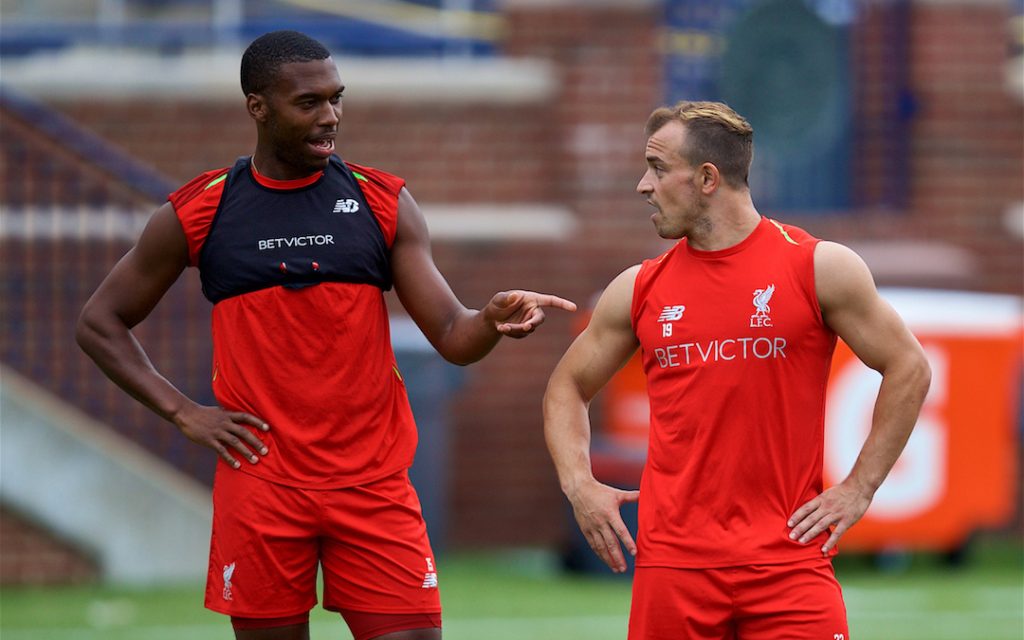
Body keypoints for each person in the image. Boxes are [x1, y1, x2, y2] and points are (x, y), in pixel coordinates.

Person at [76, 30, 575, 640]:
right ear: (258, 106)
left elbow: (451, 333)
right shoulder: (201, 211)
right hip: (261, 481)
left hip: (373, 479)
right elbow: (99, 323)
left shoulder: (381, 201)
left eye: (337, 98)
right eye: (308, 103)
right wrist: (184, 412)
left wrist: (491, 320)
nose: (330, 116)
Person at [543, 101, 931, 638]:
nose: (642, 186)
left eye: (657, 168)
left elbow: (908, 366)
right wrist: (578, 485)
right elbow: (566, 386)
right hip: (674, 569)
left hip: (790, 565)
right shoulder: (638, 288)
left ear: (707, 178)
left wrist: (860, 488)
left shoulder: (817, 266)